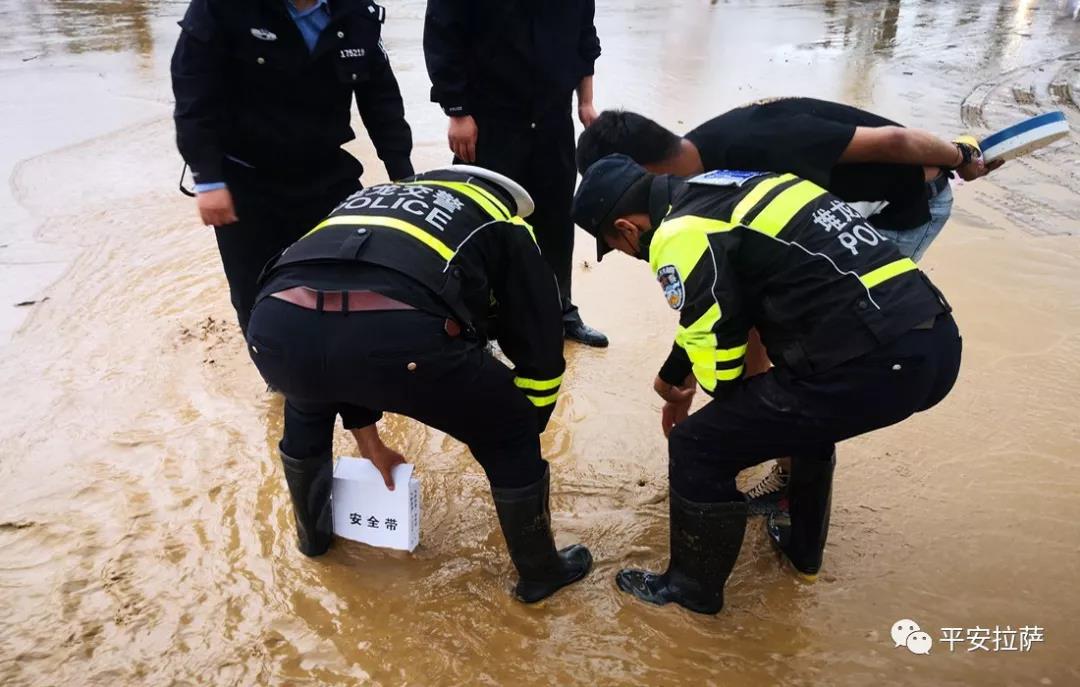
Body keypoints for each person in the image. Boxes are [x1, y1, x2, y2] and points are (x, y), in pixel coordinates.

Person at [571, 155, 963, 614]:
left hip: (874, 360)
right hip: (931, 342)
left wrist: (725, 416)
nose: (632, 255)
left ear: (627, 228)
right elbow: (724, 304)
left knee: (699, 445)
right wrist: (674, 375)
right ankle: (802, 553)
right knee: (802, 419)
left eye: (619, 248)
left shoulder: (679, 232)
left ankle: (691, 590)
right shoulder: (730, 187)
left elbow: (719, 347)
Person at [576, 98, 996, 507]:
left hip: (902, 208)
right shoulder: (711, 178)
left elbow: (895, 142)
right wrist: (689, 380)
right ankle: (793, 473)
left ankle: (787, 471)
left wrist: (960, 157)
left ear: (640, 177)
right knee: (792, 356)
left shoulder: (748, 151)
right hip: (917, 311)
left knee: (820, 351)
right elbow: (727, 301)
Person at [246, 165, 592, 603]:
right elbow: (539, 332)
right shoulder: (504, 221)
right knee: (509, 429)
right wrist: (525, 420)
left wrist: (371, 444)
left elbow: (337, 321)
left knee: (306, 400)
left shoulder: (364, 202)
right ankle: (541, 573)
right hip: (400, 337)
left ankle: (312, 542)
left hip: (274, 327)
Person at [172, 0, 413, 335]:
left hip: (327, 172)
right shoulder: (221, 8)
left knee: (350, 278)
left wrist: (402, 172)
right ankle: (269, 359)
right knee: (255, 294)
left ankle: (337, 355)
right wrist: (208, 180)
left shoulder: (356, 11)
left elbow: (380, 96)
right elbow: (193, 95)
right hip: (246, 181)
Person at [423, 0, 609, 347]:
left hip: (554, 119)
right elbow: (443, 36)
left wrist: (585, 102)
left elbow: (585, 38)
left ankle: (558, 310)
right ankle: (477, 323)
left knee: (556, 220)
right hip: (489, 121)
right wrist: (457, 111)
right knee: (483, 225)